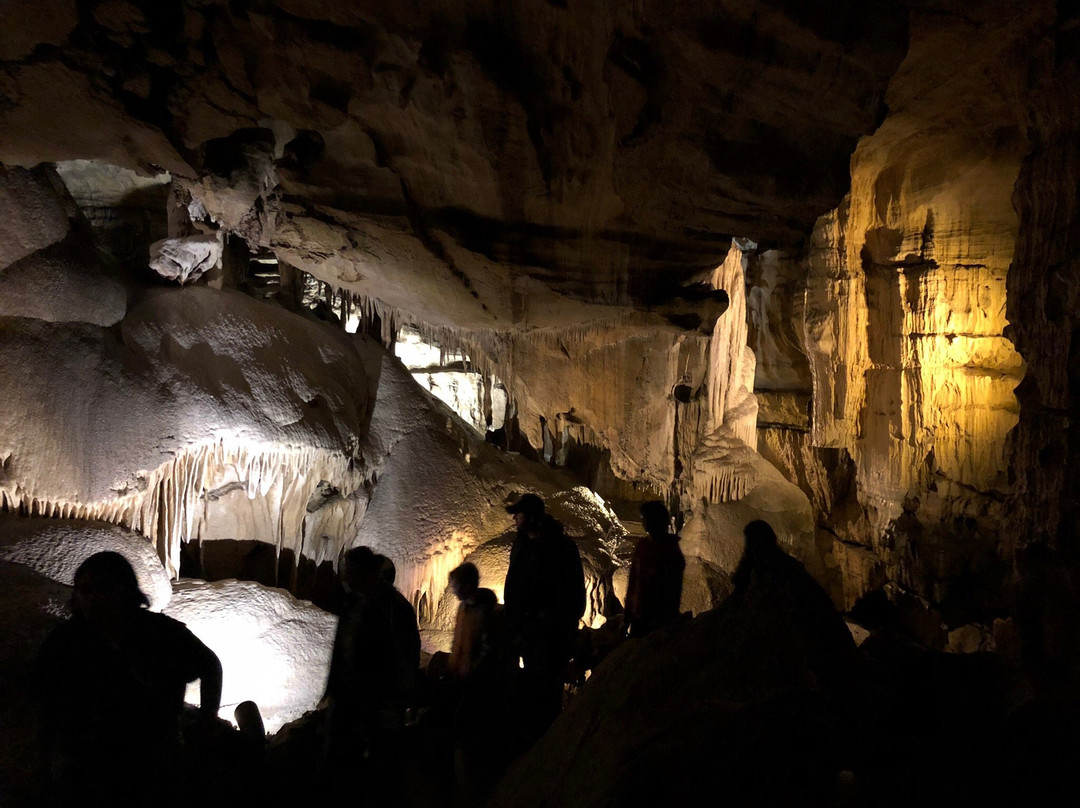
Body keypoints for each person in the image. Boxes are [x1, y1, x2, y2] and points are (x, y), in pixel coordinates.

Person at [36, 551, 222, 806]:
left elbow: (210, 665)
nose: (92, 598)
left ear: (124, 591)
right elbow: (47, 700)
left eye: (103, 588)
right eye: (84, 590)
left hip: (153, 758)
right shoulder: (66, 641)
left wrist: (207, 720)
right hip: (90, 762)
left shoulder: (161, 633)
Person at [323, 547, 420, 802]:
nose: (345, 578)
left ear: (368, 573)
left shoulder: (392, 608)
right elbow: (342, 651)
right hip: (350, 696)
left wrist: (399, 698)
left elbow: (404, 653)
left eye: (350, 572)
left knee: (381, 767)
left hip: (377, 700)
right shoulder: (353, 603)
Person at [502, 493, 585, 737]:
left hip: (551, 637)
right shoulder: (522, 545)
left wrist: (552, 621)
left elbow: (572, 595)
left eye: (519, 513)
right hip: (526, 634)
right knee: (530, 687)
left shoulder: (561, 549)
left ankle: (547, 739)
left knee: (548, 689)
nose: (515, 518)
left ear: (533, 517)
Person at [624, 500, 686, 638]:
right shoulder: (643, 545)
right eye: (643, 519)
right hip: (639, 615)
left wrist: (666, 617)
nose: (643, 522)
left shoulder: (670, 550)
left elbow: (673, 588)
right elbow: (634, 581)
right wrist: (627, 615)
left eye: (646, 518)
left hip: (658, 619)